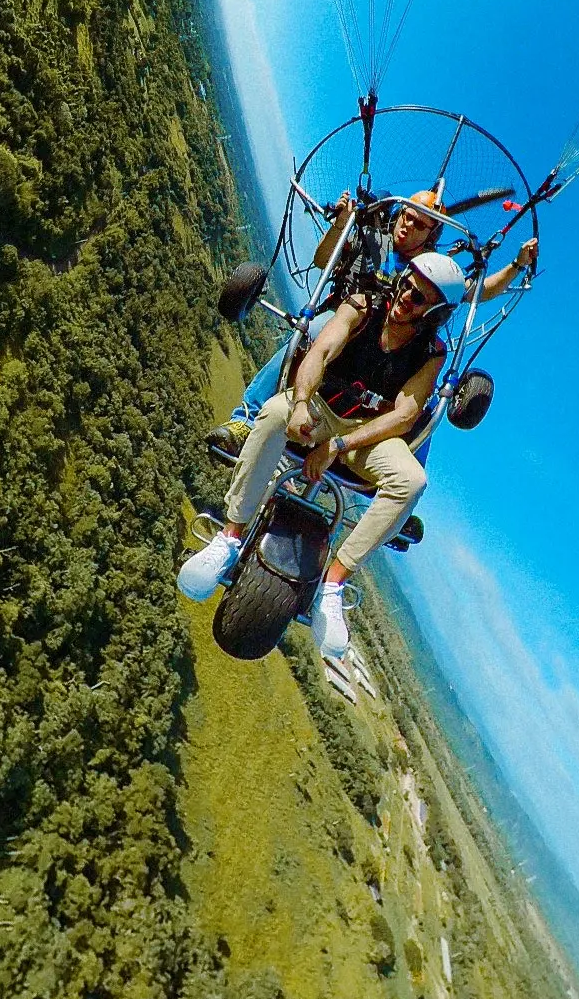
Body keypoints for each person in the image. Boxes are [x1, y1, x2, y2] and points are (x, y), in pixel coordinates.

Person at [180, 248, 466, 661]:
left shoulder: (431, 352)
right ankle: (230, 536)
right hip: (322, 409)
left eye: (419, 297)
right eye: (406, 284)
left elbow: (406, 412)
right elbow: (321, 351)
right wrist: (299, 404)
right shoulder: (364, 306)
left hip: (362, 438)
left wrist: (341, 445)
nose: (405, 296)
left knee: (412, 479)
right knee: (276, 412)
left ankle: (332, 585)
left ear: (436, 313)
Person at [211, 186, 536, 460]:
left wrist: (516, 265)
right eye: (408, 216)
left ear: (430, 235)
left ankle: (403, 493)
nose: (408, 225)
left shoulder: (430, 269)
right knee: (308, 330)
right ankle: (246, 419)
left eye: (420, 224)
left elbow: (477, 291)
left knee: (428, 403)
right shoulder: (372, 240)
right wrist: (341, 225)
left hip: (392, 343)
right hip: (348, 320)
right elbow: (323, 260)